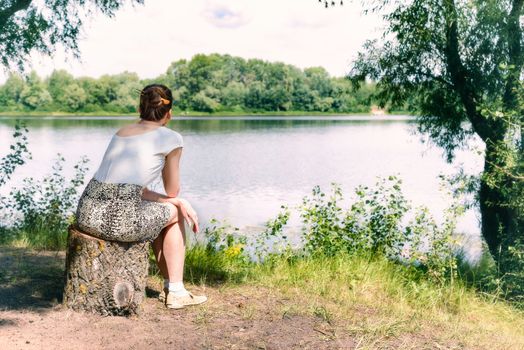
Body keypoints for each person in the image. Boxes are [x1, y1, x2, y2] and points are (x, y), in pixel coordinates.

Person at [75, 83, 207, 309]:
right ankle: (176, 291)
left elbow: (132, 190)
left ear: (140, 109)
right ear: (169, 114)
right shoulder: (172, 138)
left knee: (162, 211)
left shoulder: (121, 133)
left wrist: (171, 201)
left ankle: (172, 288)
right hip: (116, 220)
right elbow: (172, 190)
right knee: (174, 212)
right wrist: (177, 200)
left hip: (87, 214)